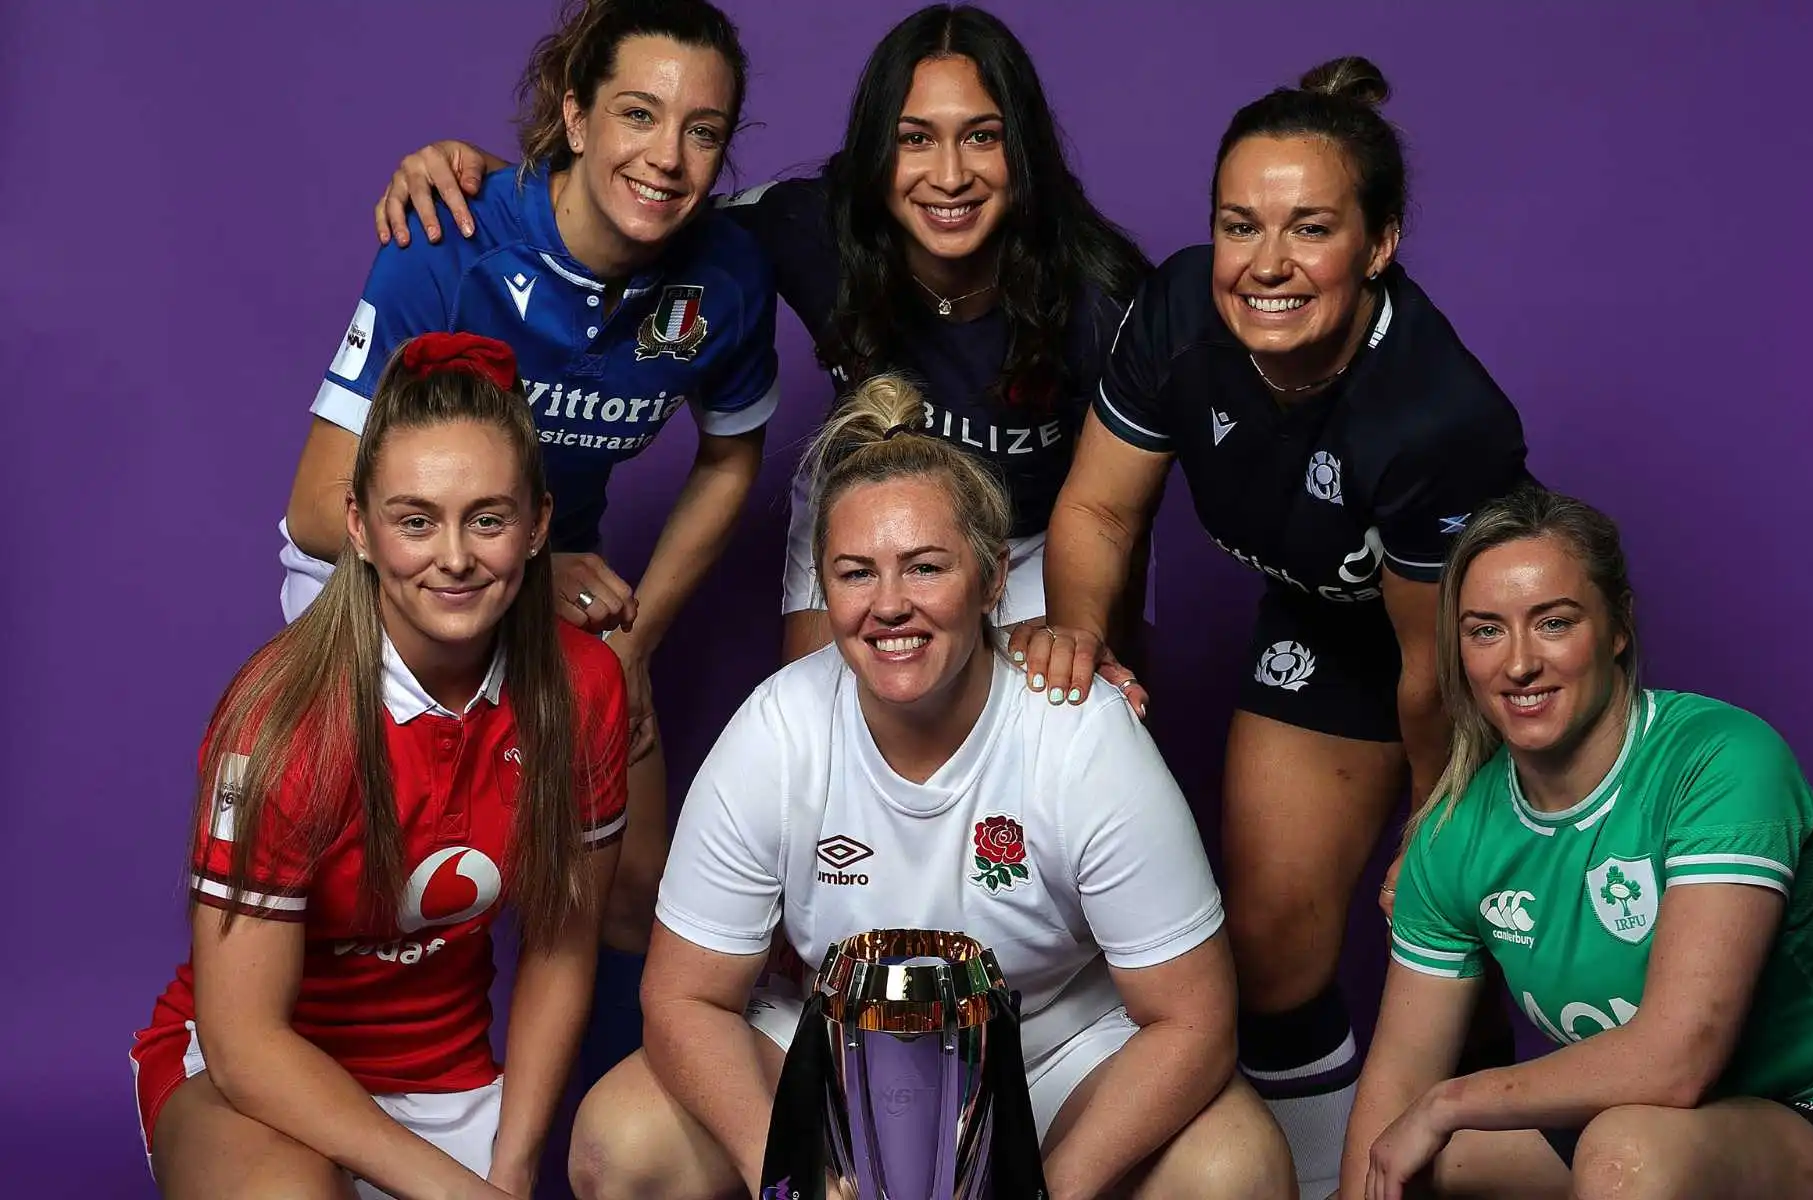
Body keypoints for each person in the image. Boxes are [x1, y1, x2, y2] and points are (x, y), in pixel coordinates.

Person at [561, 375, 1296, 1200]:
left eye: (924, 568)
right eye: (855, 573)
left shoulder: (1080, 732)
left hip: (1051, 1056)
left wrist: (1046, 1191)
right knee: (620, 1143)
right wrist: (795, 1177)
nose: (889, 606)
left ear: (991, 579)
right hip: (836, 1052)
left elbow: (1194, 1019)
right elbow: (684, 998)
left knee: (1235, 1169)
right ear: (824, 588)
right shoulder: (778, 728)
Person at [1011, 57, 1531, 1193]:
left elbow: (1435, 669)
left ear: (1380, 244)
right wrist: (1077, 635)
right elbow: (1097, 510)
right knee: (1268, 953)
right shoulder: (1177, 310)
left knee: (1470, 942)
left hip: (1482, 667)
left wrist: (1437, 823)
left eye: (1312, 229)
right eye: (1240, 225)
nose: (1267, 263)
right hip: (1323, 623)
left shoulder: (1437, 415)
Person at [283, 0, 780, 1089]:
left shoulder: (727, 276)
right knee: (380, 879)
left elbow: (731, 458)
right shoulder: (451, 240)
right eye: (637, 114)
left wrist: (636, 637)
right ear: (576, 116)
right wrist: (524, 569)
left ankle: (596, 1148)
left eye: (702, 129)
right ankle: (330, 1119)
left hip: (552, 572)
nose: (667, 156)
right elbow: (321, 507)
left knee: (635, 885)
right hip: (383, 579)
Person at [372, 3, 1154, 669]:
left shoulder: (1102, 297)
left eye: (981, 136)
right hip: (863, 498)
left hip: (1032, 535)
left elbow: (1112, 512)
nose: (949, 175)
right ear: (877, 151)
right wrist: (496, 191)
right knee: (824, 730)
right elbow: (638, 203)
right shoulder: (809, 228)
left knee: (1046, 722)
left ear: (1023, 149)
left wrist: (1101, 638)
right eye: (915, 138)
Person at [1341, 486, 1813, 1200]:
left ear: (1617, 628)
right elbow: (1398, 1083)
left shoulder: (1722, 761)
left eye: (1554, 622)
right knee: (1410, 1167)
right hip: (1642, 1118)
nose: (1518, 664)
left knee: (1624, 1157)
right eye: (1485, 631)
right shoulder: (1453, 834)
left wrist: (1449, 1102)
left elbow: (1677, 1059)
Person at [130, 333, 630, 1200]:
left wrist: (512, 1168)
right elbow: (245, 1042)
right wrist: (457, 1193)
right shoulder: (279, 719)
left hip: (450, 1087)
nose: (455, 557)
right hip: (253, 1085)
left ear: (539, 525)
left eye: (488, 518)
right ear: (359, 527)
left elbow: (562, 945)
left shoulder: (583, 687)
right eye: (415, 520)